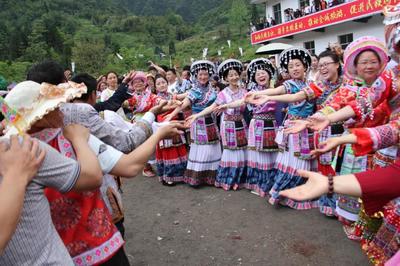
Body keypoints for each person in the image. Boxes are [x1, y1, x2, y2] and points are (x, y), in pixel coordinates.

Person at [246, 47, 317, 209]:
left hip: (308, 126)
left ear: (305, 67)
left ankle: (305, 192)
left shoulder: (312, 85)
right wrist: (261, 95)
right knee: (295, 160)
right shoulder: (289, 84)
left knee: (306, 160)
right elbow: (277, 90)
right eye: (291, 66)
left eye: (297, 65)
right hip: (293, 127)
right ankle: (287, 194)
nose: (294, 69)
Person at [186, 59, 248, 191]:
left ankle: (241, 179)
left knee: (242, 150)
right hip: (228, 125)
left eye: (236, 74)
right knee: (230, 152)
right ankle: (229, 179)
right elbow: (212, 107)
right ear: (225, 78)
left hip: (241, 124)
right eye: (230, 75)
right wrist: (196, 115)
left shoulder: (244, 91)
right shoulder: (222, 93)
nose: (234, 77)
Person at [166, 60, 222, 187]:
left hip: (211, 122)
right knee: (202, 148)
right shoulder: (194, 90)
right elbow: (185, 103)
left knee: (213, 148)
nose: (203, 77)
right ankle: (199, 177)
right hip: (198, 122)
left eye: (205, 74)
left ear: (209, 75)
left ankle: (212, 176)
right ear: (196, 76)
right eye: (200, 74)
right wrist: (172, 113)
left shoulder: (212, 89)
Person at [153, 75, 188, 185]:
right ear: (155, 86)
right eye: (158, 84)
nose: (161, 85)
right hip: (163, 124)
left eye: (163, 82)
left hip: (175, 122)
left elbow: (182, 103)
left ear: (167, 83)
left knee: (179, 148)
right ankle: (168, 176)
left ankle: (181, 174)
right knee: (168, 150)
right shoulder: (154, 98)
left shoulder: (172, 95)